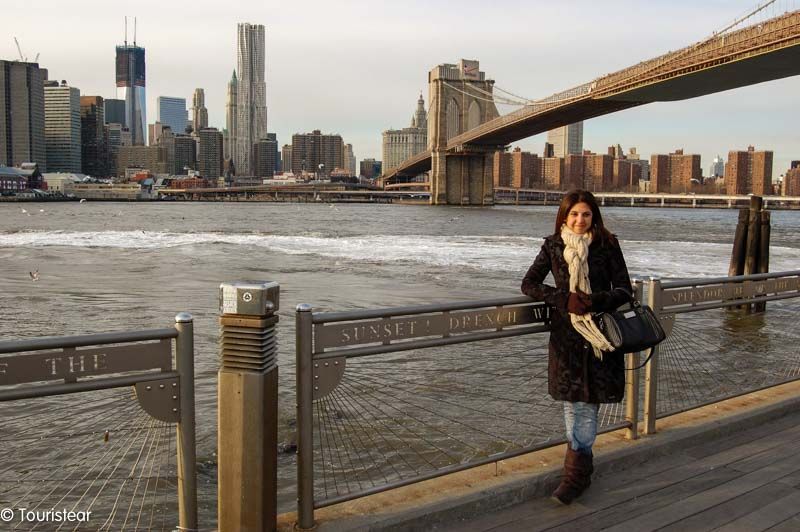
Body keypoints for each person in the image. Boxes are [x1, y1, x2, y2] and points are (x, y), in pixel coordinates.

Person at [521, 189, 633, 505]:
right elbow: (529, 284)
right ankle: (580, 468)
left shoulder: (607, 246)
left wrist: (595, 301)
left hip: (599, 338)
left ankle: (574, 477)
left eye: (585, 214)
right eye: (574, 214)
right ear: (564, 216)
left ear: (594, 216)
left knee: (586, 404)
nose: (579, 220)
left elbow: (624, 289)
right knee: (572, 402)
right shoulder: (554, 246)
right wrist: (564, 299)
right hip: (567, 339)